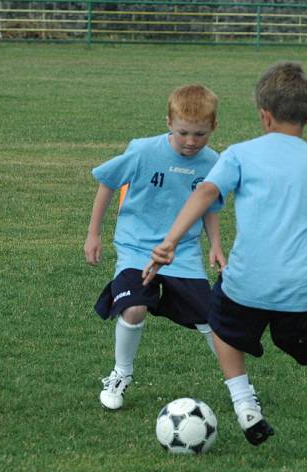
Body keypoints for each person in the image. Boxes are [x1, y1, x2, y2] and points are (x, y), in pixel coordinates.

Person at [143, 62, 307, 472]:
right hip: (306, 295)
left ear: (263, 116)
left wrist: (171, 240)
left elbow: (208, 191)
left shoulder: (240, 154)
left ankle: (244, 401)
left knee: (219, 318)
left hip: (246, 285)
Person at [86, 84, 244, 411]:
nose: (190, 142)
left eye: (200, 135)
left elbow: (210, 206)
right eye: (184, 132)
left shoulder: (214, 162)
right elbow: (106, 182)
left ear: (213, 127)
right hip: (136, 248)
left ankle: (239, 388)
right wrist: (94, 234)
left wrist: (215, 245)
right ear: (169, 122)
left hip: (183, 254)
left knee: (211, 319)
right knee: (134, 307)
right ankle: (120, 374)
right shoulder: (143, 151)